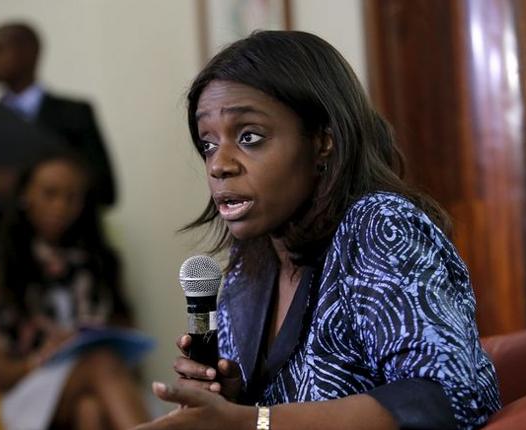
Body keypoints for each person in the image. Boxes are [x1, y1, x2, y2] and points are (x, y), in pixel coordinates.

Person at [135, 31, 501, 430]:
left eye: (249, 137)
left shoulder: (379, 228)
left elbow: (447, 396)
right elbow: (275, 413)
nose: (219, 165)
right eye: (208, 144)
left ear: (322, 141)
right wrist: (234, 401)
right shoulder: (248, 265)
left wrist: (251, 422)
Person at [0, 150, 149, 430]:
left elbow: (129, 344)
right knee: (101, 362)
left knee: (90, 411)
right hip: (30, 391)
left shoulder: (100, 260)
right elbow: (0, 375)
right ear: (25, 195)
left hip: (96, 386)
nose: (60, 207)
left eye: (72, 197)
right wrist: (50, 353)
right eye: (50, 193)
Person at [0, 21, 116, 243]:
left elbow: (108, 191)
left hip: (73, 249)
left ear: (30, 52)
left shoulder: (76, 114)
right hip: (7, 255)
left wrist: (58, 186)